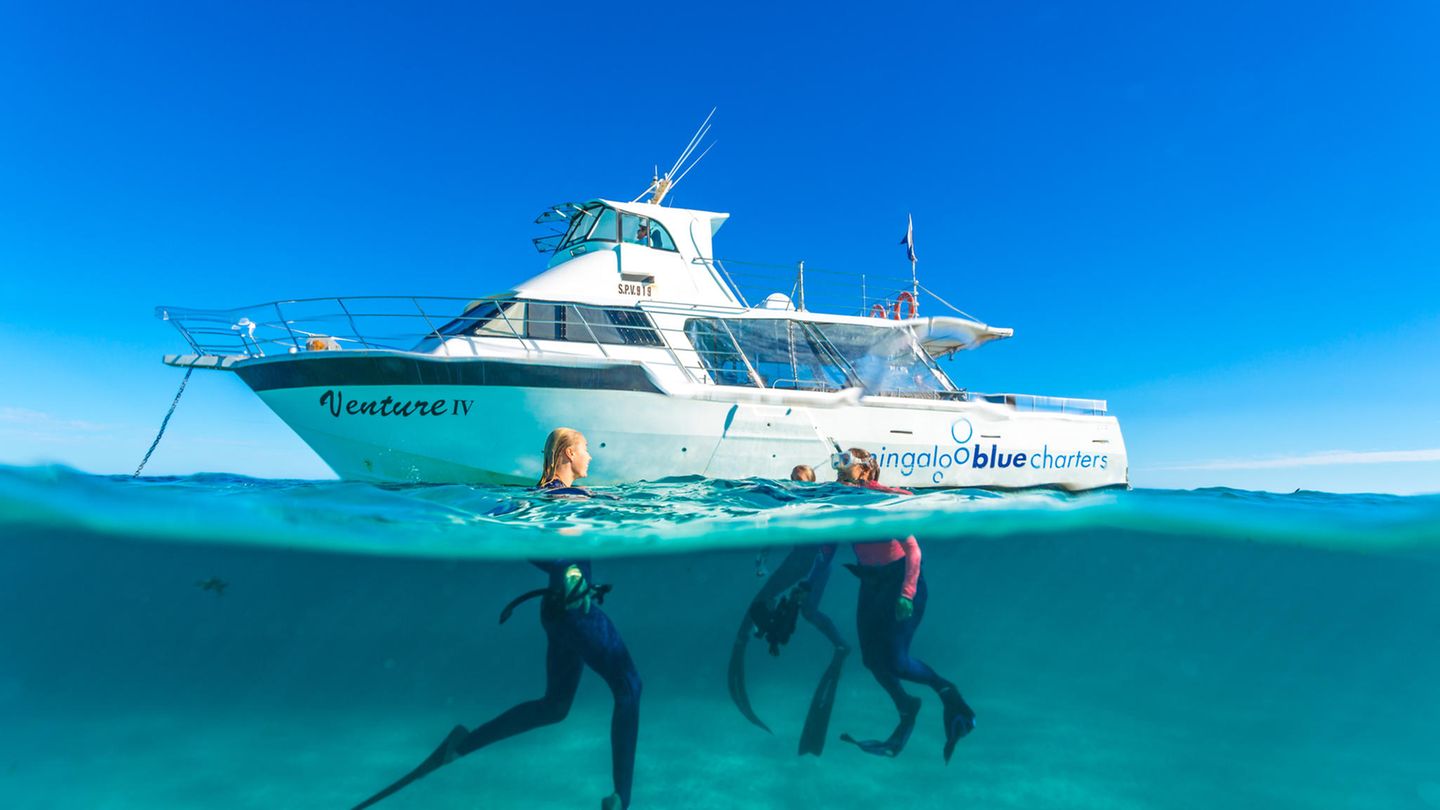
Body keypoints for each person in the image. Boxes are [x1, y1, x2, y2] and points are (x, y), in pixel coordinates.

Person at [352, 428, 642, 810]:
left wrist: (560, 564)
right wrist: (566, 566)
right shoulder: (566, 496)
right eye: (586, 450)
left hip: (555, 613)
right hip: (576, 613)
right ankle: (622, 799)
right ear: (570, 454)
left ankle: (461, 747)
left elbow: (514, 537)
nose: (591, 457)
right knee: (630, 687)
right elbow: (538, 545)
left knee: (555, 707)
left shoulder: (543, 497)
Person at [832, 447, 976, 762]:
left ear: (866, 471)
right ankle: (906, 707)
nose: (838, 469)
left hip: (902, 584)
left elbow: (913, 548)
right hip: (871, 584)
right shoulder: (840, 497)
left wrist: (906, 594)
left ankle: (945, 689)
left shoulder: (882, 500)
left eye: (845, 464)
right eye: (836, 463)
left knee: (895, 662)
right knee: (872, 660)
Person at [727, 464, 849, 756]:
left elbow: (826, 550)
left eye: (799, 481)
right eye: (792, 481)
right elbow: (773, 531)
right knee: (761, 603)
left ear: (810, 482)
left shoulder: (822, 502)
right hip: (799, 562)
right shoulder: (791, 498)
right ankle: (753, 632)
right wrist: (761, 560)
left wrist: (807, 583)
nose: (795, 485)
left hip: (815, 568)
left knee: (807, 612)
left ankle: (840, 645)